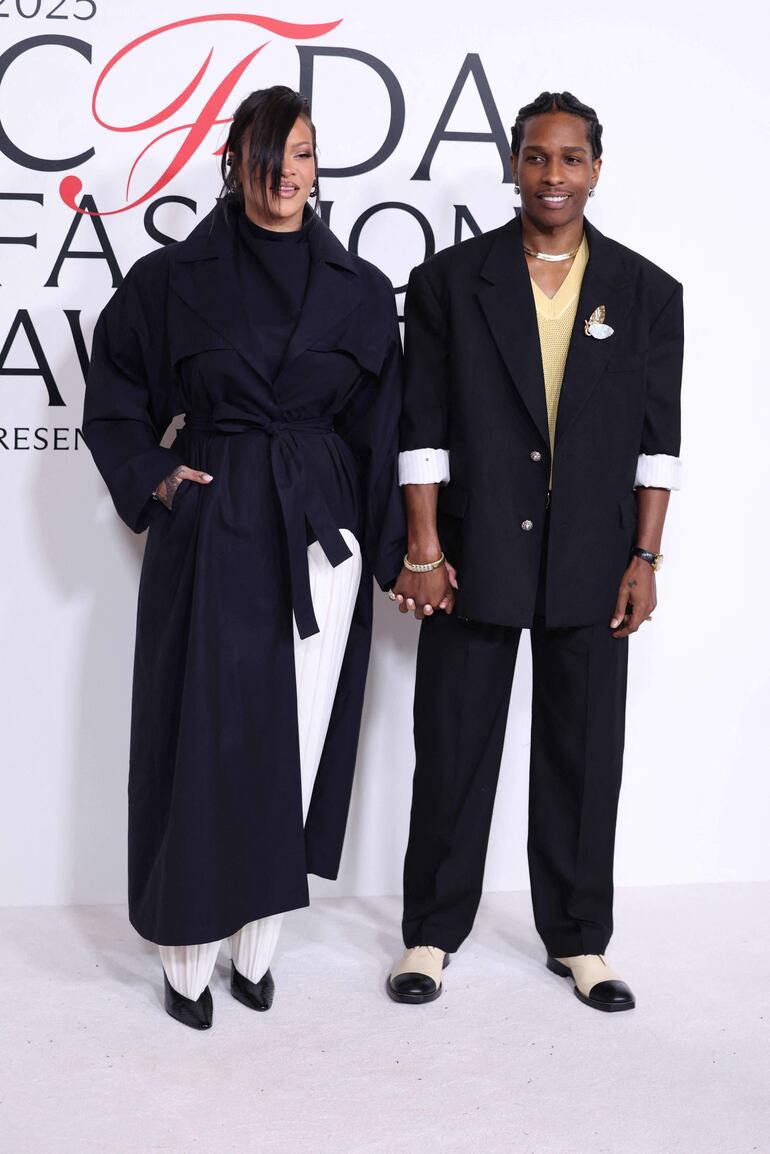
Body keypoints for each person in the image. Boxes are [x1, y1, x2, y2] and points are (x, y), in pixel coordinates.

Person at [83, 86, 404, 1029]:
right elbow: (115, 396)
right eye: (268, 157)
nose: (285, 176)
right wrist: (159, 477)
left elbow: (380, 428)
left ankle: (258, 945)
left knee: (294, 739)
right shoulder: (171, 280)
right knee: (206, 740)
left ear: (317, 164)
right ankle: (188, 949)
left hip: (320, 532)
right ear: (233, 163)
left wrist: (398, 554)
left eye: (301, 154)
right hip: (216, 525)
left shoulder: (358, 288)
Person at [386, 92, 683, 1012]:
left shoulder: (646, 292)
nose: (552, 175)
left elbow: (658, 443)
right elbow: (422, 428)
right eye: (536, 157)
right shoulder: (448, 282)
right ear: (514, 165)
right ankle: (431, 936)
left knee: (586, 756)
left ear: (597, 169)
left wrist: (646, 558)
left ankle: (579, 942)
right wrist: (426, 548)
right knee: (452, 749)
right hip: (476, 553)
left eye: (570, 159)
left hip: (596, 562)